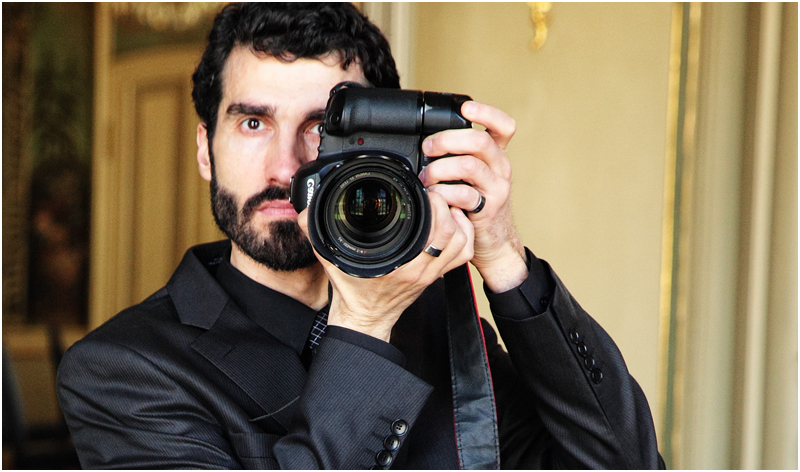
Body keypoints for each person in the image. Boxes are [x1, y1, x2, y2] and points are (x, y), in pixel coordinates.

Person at [57, 3, 663, 469]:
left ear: (381, 146)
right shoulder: (122, 370)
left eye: (321, 127)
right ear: (204, 149)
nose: (286, 167)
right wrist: (365, 324)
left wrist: (505, 258)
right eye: (252, 123)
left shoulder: (438, 326)